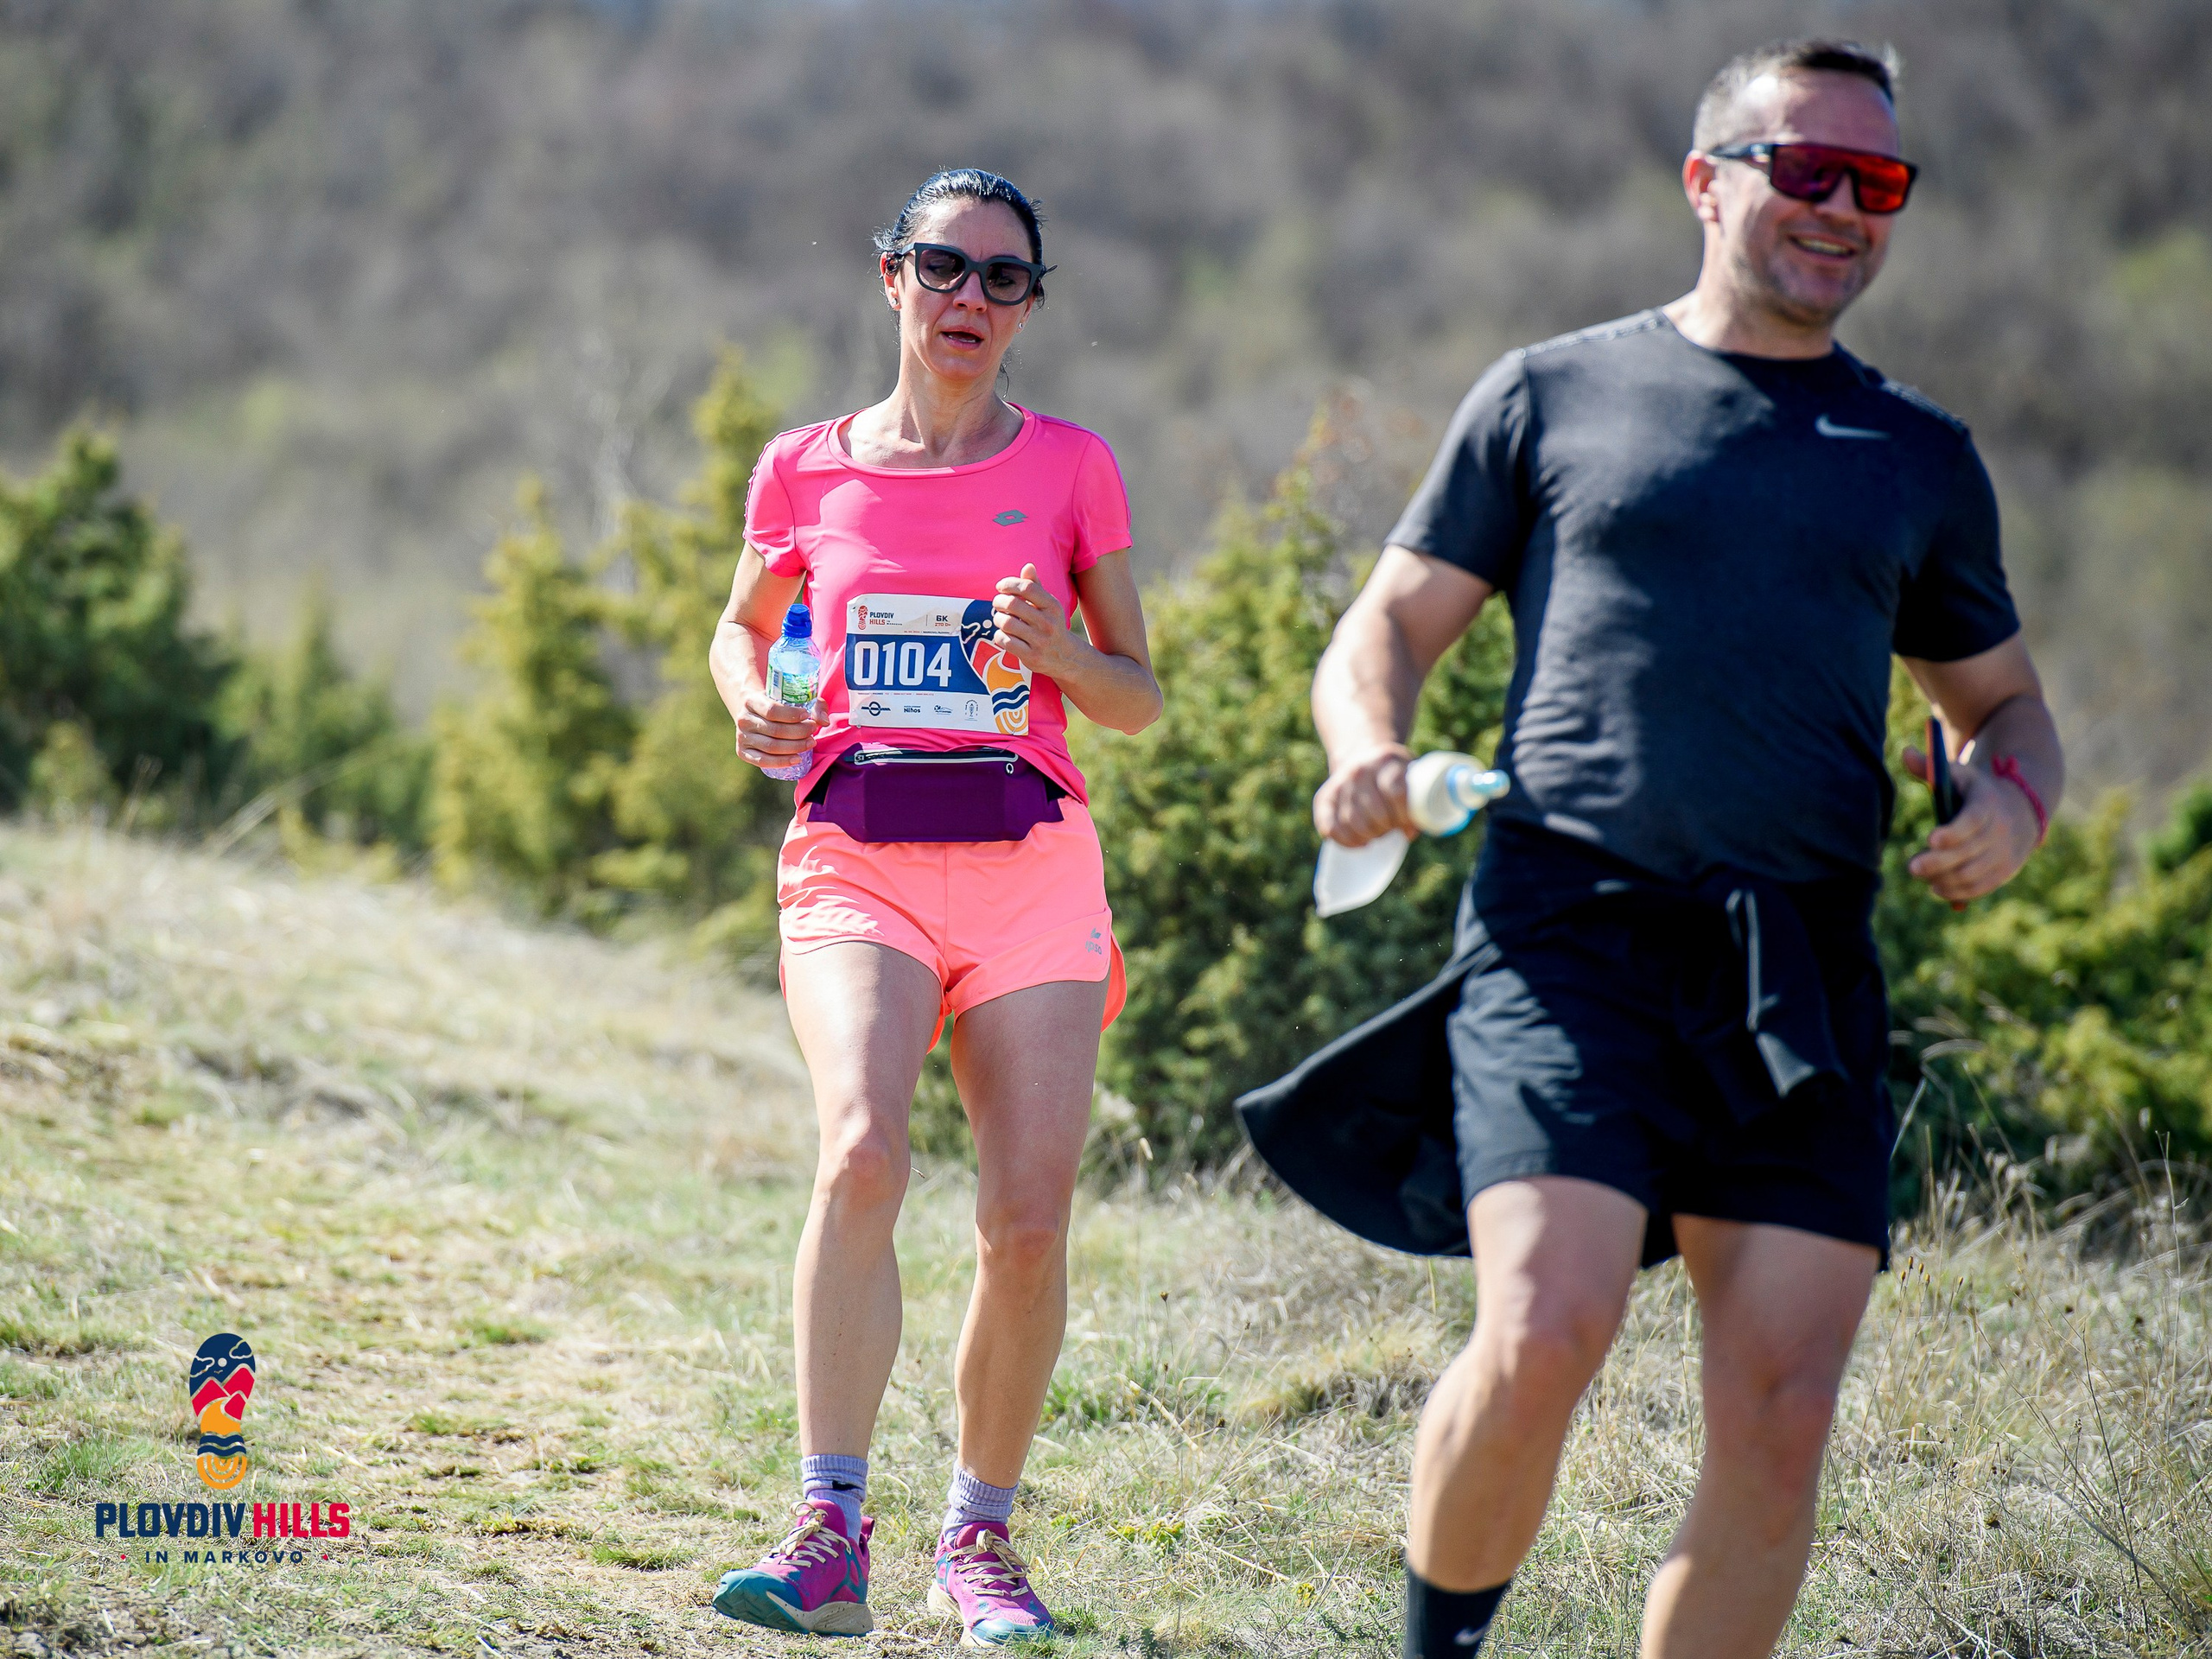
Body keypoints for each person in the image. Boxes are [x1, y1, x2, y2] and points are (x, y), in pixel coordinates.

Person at [1240, 39, 2065, 1659]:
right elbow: (1384, 630)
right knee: (1548, 1326)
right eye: (1804, 170)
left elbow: (2006, 707)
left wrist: (2009, 808)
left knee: (1783, 1411)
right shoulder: (1555, 391)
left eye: (1877, 183)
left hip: (1799, 973)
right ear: (1709, 181)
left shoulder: (1916, 457)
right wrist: (1371, 754)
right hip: (1571, 938)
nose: (1842, 210)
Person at [705, 167, 1160, 1646]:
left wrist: (1060, 654)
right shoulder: (803, 468)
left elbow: (1138, 699)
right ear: (891, 278)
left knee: (1027, 1218)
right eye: (946, 269)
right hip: (856, 844)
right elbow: (745, 629)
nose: (973, 299)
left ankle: (980, 1543)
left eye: (1005, 280)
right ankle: (828, 1533)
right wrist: (756, 712)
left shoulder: (1077, 468)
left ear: (1029, 307)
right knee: (860, 1151)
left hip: (1031, 858)